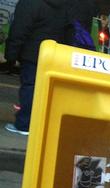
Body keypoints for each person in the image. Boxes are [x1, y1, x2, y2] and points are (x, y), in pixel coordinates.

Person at [4, 0, 70, 136]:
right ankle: (41, 126)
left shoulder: (30, 3)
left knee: (29, 88)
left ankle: (24, 124)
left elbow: (19, 29)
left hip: (32, 53)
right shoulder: (64, 5)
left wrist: (11, 54)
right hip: (52, 55)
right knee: (44, 91)